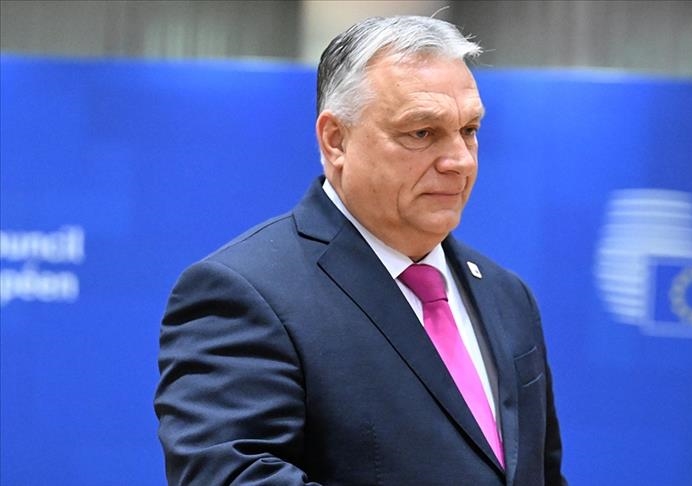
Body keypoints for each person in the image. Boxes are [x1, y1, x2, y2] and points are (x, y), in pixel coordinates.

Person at [155, 15, 567, 486]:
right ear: (336, 140)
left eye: (469, 129)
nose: (459, 160)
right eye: (422, 132)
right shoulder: (245, 291)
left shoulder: (507, 296)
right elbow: (233, 476)